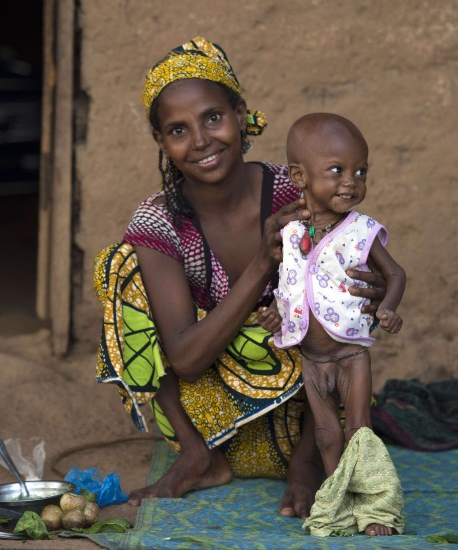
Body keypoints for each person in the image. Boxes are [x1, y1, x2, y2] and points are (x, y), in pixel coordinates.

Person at [93, 37, 386, 521]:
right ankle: (196, 458)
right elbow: (185, 358)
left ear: (240, 113)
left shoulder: (296, 189)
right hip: (208, 419)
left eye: (213, 117)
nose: (202, 140)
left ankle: (307, 465)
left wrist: (368, 288)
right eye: (178, 129)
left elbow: (355, 284)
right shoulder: (159, 221)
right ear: (161, 142)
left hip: (305, 415)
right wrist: (262, 263)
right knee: (118, 270)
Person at [258, 112, 406, 535]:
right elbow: (289, 286)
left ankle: (377, 510)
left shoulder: (362, 231)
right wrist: (275, 315)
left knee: (360, 430)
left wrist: (388, 309)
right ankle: (338, 503)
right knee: (326, 435)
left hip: (349, 356)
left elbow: (396, 275)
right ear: (299, 177)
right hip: (311, 358)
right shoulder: (290, 234)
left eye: (361, 171)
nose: (352, 182)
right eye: (337, 170)